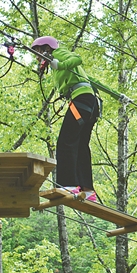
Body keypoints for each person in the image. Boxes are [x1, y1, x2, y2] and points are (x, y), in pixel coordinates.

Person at [31, 35, 98, 202]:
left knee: (66, 142)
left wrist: (58, 64)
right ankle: (87, 189)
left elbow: (77, 58)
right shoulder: (56, 64)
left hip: (81, 101)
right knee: (81, 146)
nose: (38, 57)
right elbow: (84, 77)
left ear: (47, 48)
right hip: (89, 103)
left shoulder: (59, 54)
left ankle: (68, 184)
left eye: (38, 52)